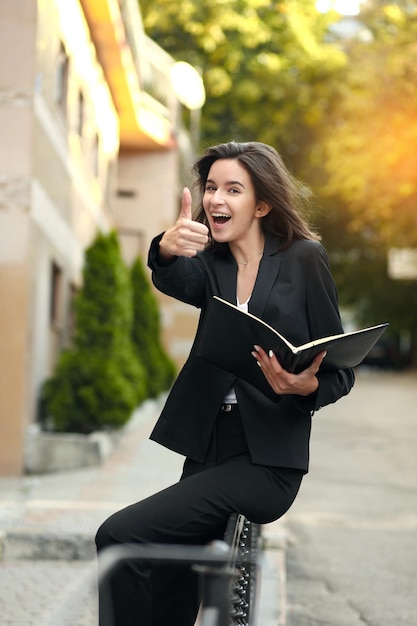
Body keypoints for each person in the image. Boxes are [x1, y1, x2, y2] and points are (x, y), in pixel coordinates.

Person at [95, 141, 355, 626]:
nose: (216, 199)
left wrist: (306, 389)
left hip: (266, 462)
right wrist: (165, 249)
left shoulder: (304, 259)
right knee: (174, 585)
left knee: (119, 536)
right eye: (211, 187)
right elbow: (175, 279)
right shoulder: (211, 265)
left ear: (261, 204)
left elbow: (340, 368)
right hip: (208, 449)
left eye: (233, 189)